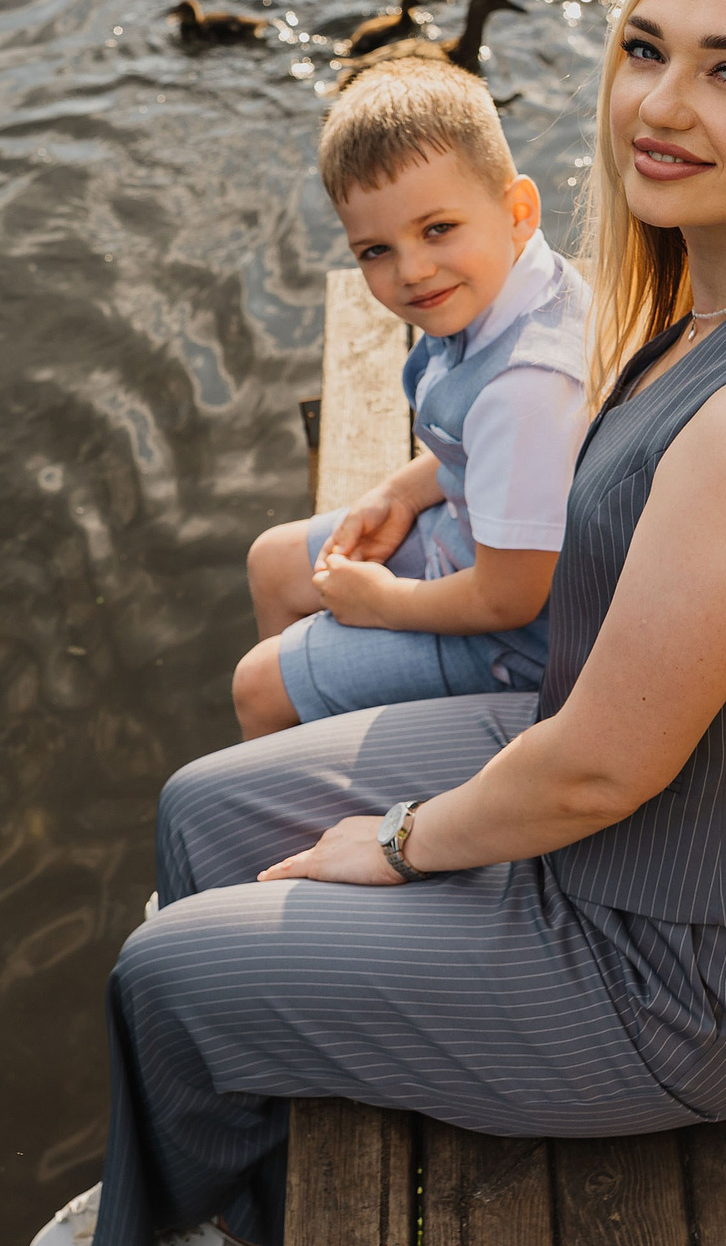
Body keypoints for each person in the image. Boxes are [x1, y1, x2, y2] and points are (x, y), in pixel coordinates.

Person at [27, 0, 726, 1246]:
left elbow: (602, 766)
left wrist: (402, 843)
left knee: (163, 971)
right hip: (633, 820)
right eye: (646, 48)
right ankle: (236, 1124)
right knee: (201, 810)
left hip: (681, 960)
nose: (658, 104)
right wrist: (427, 480)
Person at [233, 57, 590, 741]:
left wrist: (384, 603)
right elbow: (483, 456)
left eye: (437, 229)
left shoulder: (529, 388)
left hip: (520, 649)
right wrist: (398, 494)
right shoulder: (505, 290)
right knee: (273, 563)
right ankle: (326, 728)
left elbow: (509, 597)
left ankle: (300, 789)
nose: (412, 272)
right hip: (471, 543)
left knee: (258, 684)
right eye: (374, 250)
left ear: (518, 211)